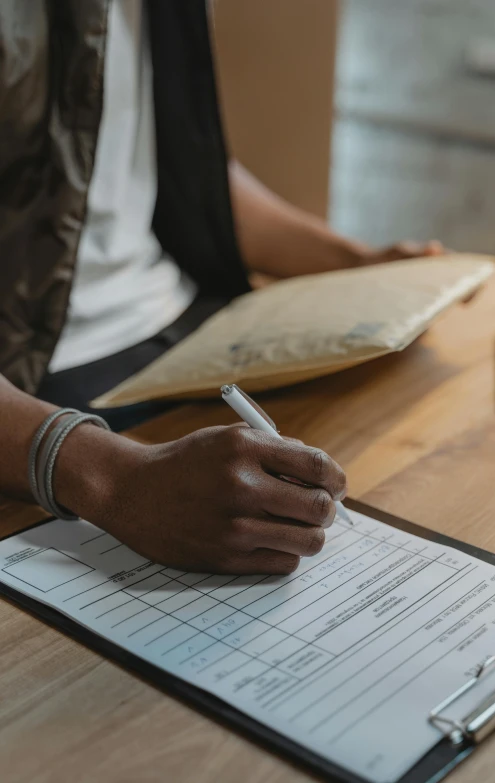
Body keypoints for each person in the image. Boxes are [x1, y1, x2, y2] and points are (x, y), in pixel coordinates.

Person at [0, 1, 442, 575]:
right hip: (35, 392)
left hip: (193, 336)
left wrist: (358, 262)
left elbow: (187, 170)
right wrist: (112, 479)